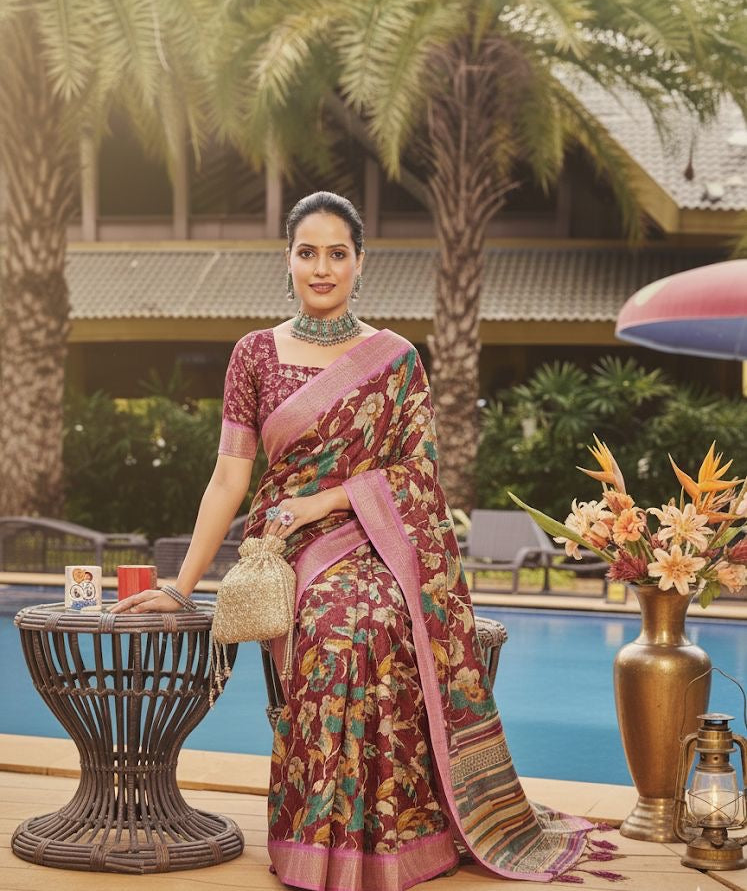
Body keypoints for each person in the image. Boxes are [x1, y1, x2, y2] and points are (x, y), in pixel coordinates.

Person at [110, 192, 601, 890]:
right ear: (287, 258)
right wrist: (179, 585)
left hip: (374, 537)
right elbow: (228, 478)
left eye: (336, 253)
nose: (320, 267)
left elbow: (417, 476)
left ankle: (393, 838)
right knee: (338, 622)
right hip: (288, 548)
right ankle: (318, 838)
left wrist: (330, 497)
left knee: (380, 616)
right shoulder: (254, 353)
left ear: (359, 262)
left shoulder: (395, 359)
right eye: (306, 252)